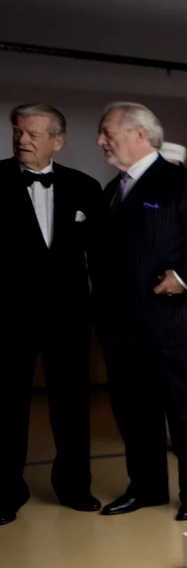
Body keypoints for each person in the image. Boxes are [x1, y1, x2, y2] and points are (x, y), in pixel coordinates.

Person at [89, 102, 187, 521]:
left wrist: (185, 276)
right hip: (122, 330)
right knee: (135, 417)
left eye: (107, 132)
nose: (100, 141)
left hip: (176, 326)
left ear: (139, 135)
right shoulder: (112, 190)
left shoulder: (183, 184)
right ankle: (146, 489)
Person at [1, 104, 105, 524]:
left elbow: (101, 254)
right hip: (8, 318)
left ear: (58, 141)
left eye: (33, 134)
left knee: (73, 403)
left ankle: (74, 487)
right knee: (6, 405)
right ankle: (5, 493)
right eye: (18, 132)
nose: (22, 140)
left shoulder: (85, 186)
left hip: (69, 316)